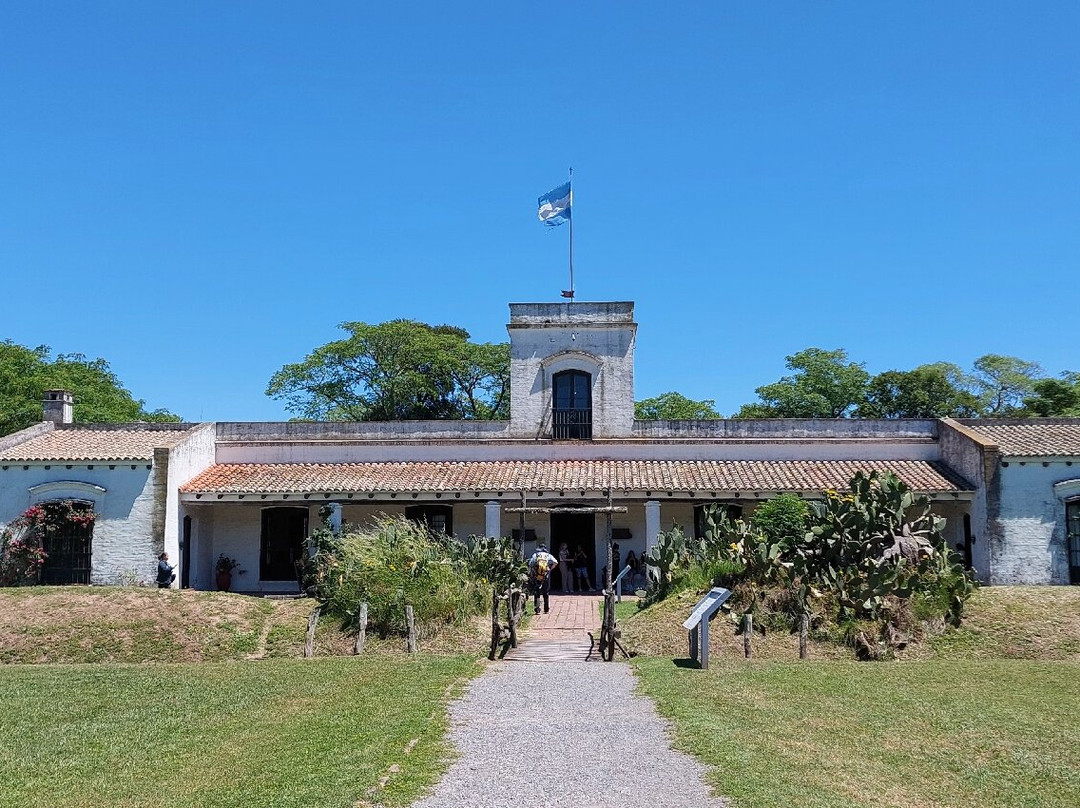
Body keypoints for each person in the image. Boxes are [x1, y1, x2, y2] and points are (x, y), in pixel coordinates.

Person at [527, 543, 558, 615]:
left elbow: (530, 564)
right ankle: (546, 609)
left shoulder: (536, 555)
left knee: (537, 592)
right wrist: (550, 569)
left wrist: (531, 573)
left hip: (537, 576)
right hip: (545, 576)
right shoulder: (548, 555)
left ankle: (537, 608)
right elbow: (555, 562)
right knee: (545, 592)